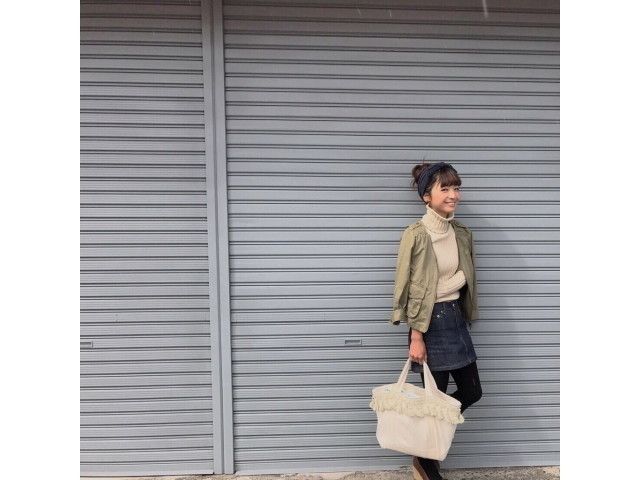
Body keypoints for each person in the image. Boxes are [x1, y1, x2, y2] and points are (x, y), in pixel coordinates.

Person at [390, 162, 483, 480]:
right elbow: (410, 288)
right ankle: (427, 463)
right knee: (435, 397)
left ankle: (421, 449)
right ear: (426, 197)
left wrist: (456, 286)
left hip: (454, 318)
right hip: (428, 323)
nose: (454, 194)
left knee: (471, 391)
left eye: (456, 188)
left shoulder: (461, 234)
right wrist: (416, 337)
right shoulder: (416, 235)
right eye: (445, 188)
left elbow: (466, 277)